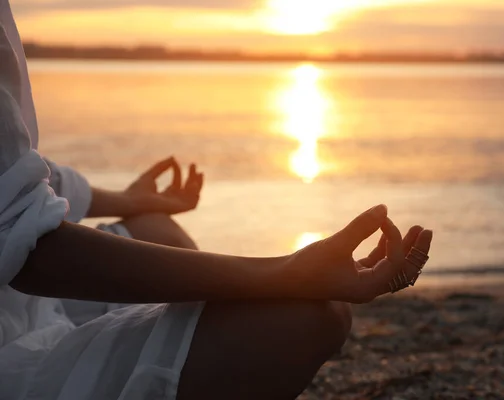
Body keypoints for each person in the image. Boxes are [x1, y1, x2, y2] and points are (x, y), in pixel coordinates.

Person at [0, 1, 433, 399]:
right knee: (312, 315)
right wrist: (287, 273)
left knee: (155, 227)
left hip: (32, 311)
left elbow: (18, 179)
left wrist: (130, 199)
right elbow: (33, 255)